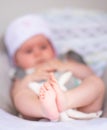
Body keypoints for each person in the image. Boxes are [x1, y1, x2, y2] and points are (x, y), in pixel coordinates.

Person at [4, 14, 105, 121]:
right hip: (41, 114)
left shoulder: (64, 60)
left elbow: (88, 73)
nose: (38, 54)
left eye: (43, 47)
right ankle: (45, 109)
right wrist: (29, 79)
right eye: (29, 51)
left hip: (81, 108)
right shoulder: (22, 73)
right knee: (21, 97)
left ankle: (66, 100)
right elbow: (15, 94)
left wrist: (66, 66)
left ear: (53, 49)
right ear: (16, 60)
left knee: (95, 81)